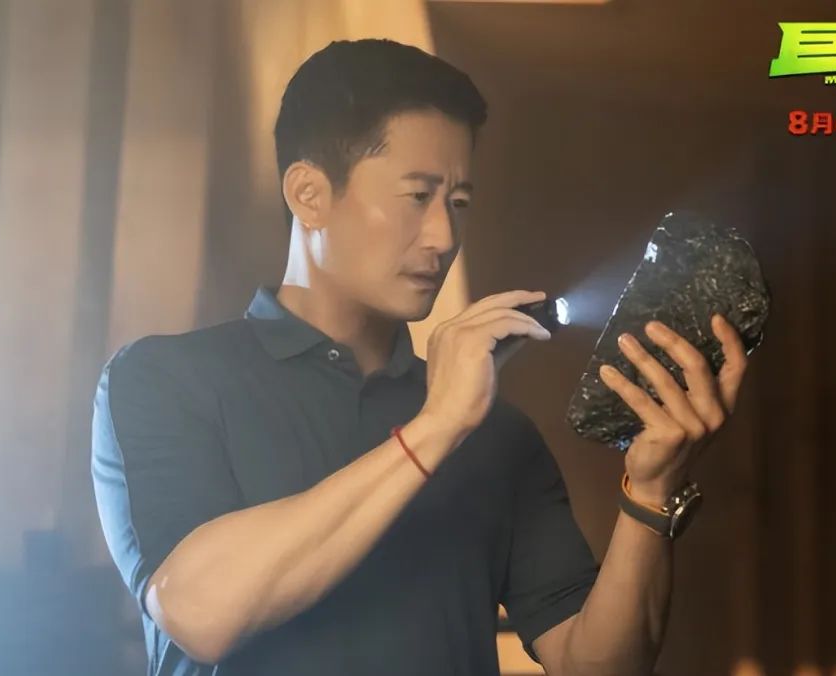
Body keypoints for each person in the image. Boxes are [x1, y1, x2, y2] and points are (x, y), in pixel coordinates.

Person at [91, 39, 748, 676]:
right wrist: (436, 428)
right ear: (309, 194)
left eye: (458, 203)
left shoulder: (497, 434)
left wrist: (652, 494)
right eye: (416, 196)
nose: (442, 236)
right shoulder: (165, 381)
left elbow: (595, 666)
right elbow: (200, 613)